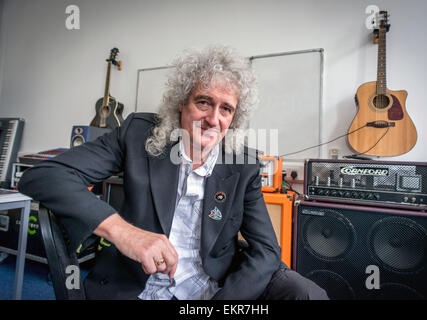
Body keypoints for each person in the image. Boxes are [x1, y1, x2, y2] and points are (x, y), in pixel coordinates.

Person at [18, 45, 328, 300]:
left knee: (307, 294)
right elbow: (43, 176)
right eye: (203, 102)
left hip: (212, 292)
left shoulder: (242, 163)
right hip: (136, 289)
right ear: (181, 103)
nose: (213, 119)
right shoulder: (138, 134)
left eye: (226, 109)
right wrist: (124, 233)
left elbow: (267, 251)